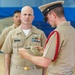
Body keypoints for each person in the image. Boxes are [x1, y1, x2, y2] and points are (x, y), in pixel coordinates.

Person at [18, 1, 75, 75]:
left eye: (47, 18)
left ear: (53, 15)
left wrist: (26, 55)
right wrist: (46, 51)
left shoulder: (57, 33)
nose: (47, 22)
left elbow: (44, 62)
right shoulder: (72, 31)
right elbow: (64, 53)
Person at [1, 6, 46, 75]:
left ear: (33, 17)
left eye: (29, 15)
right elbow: (7, 55)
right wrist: (7, 73)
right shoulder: (12, 34)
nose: (27, 17)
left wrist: (44, 73)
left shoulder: (40, 34)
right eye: (25, 14)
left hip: (35, 71)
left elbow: (45, 55)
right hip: (16, 72)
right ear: (21, 16)